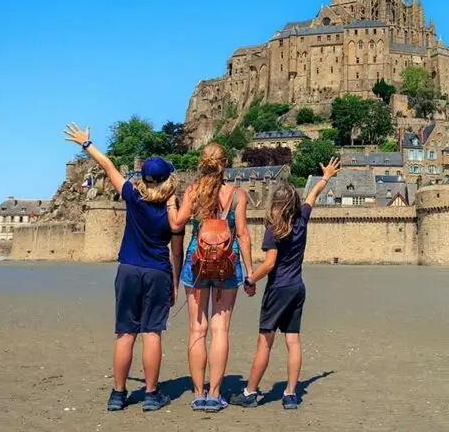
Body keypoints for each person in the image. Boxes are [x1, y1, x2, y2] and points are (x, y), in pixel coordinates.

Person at [63, 123, 183, 413]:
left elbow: (108, 165)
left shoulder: (132, 195)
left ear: (144, 177)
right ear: (168, 179)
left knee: (125, 333)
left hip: (129, 269)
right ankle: (152, 395)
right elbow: (176, 252)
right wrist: (175, 284)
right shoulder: (172, 209)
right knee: (152, 333)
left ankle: (118, 394)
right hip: (158, 272)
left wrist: (86, 143)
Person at [230, 157, 340, 410]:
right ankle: (291, 394)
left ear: (275, 204)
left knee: (265, 341)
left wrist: (250, 279)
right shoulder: (302, 219)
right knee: (293, 341)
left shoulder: (274, 229)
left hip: (278, 289)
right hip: (297, 288)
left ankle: (250, 392)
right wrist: (326, 176)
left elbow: (269, 264)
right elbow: (313, 195)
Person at [169, 143, 254, 412]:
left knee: (197, 329)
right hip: (228, 263)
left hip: (196, 262)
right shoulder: (238, 194)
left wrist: (172, 201)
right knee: (220, 330)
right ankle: (215, 394)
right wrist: (250, 272)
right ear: (225, 163)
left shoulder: (193, 191)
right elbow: (243, 234)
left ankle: (198, 393)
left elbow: (177, 224)